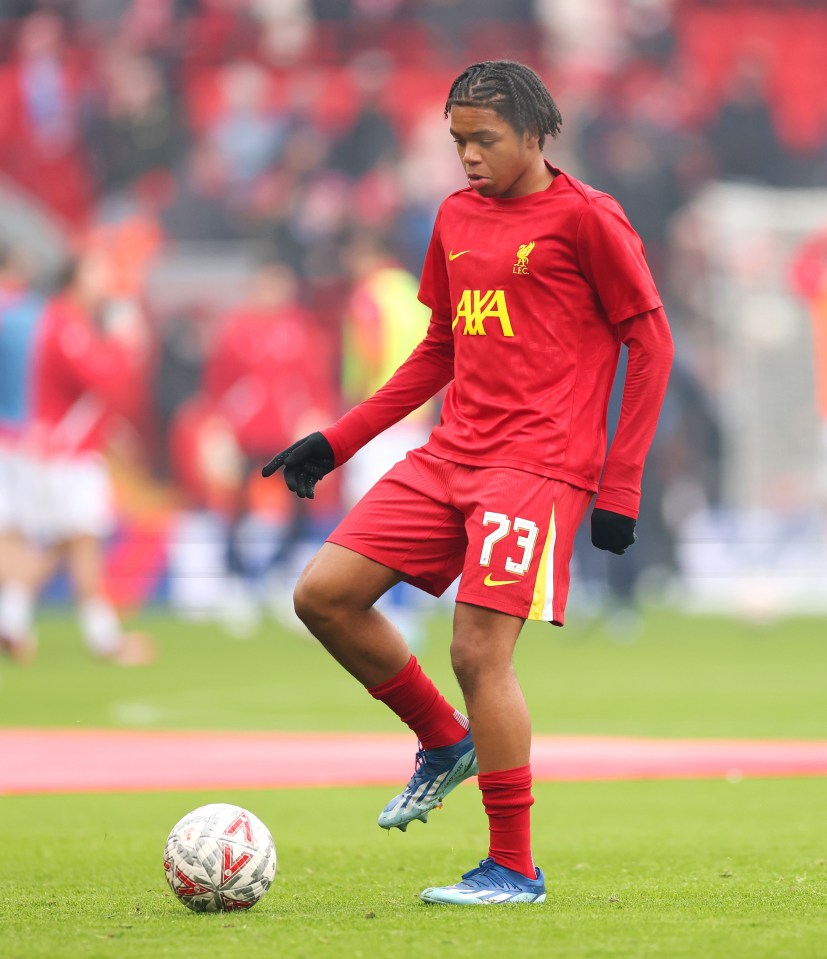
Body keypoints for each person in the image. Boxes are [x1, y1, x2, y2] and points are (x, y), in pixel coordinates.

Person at [262, 60, 674, 905]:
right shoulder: (453, 217)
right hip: (451, 453)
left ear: (534, 134)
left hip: (538, 462)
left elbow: (650, 342)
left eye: (483, 139)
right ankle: (443, 741)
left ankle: (513, 868)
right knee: (323, 596)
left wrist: (619, 485)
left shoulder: (588, 219)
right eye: (456, 140)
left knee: (476, 651)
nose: (467, 157)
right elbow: (441, 346)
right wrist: (336, 441)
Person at [7, 248, 154, 665]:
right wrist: (126, 342)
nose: (106, 279)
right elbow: (103, 377)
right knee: (83, 540)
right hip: (64, 453)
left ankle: (12, 621)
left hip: (64, 449)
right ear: (76, 278)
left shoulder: (70, 322)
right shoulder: (67, 323)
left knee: (64, 540)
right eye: (98, 270)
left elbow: (95, 394)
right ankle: (102, 639)